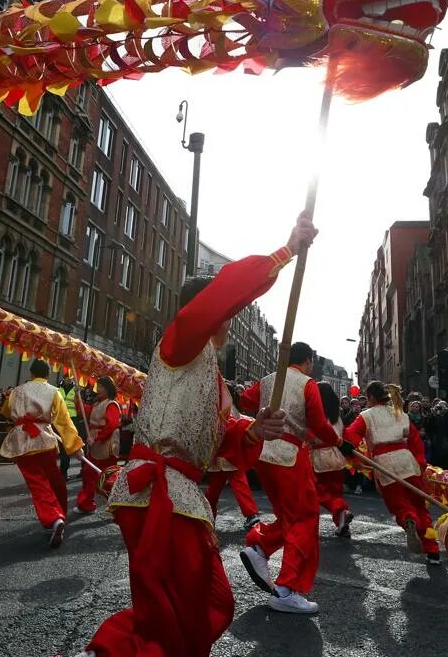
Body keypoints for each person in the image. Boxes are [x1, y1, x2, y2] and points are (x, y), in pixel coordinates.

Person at [75, 214, 310, 657]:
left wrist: (255, 428)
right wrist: (286, 251)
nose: (231, 319)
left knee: (201, 603)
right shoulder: (181, 342)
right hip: (156, 491)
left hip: (176, 494)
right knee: (183, 605)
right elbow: (221, 294)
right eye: (227, 311)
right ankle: (108, 652)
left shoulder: (212, 374)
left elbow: (226, 435)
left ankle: (106, 652)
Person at [237, 341, 343, 613]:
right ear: (307, 361)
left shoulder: (269, 379)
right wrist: (337, 440)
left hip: (264, 453)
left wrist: (269, 397)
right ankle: (286, 589)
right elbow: (319, 423)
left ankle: (260, 548)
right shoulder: (308, 384)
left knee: (289, 516)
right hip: (290, 456)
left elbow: (246, 399)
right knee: (305, 518)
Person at [341, 381, 440, 564]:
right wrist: (420, 463)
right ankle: (432, 549)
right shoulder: (400, 413)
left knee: (400, 504)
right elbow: (415, 440)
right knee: (420, 505)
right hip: (407, 460)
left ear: (370, 397)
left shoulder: (366, 416)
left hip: (385, 464)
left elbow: (351, 436)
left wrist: (347, 448)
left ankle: (408, 519)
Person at [0, 359, 83, 546]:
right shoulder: (54, 391)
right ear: (48, 375)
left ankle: (53, 518)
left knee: (37, 483)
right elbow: (64, 421)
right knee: (54, 478)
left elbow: (6, 410)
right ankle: (60, 513)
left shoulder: (17, 391)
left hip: (22, 442)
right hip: (45, 440)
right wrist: (75, 446)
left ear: (31, 374)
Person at [204, 389, 262, 532]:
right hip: (232, 458)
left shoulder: (219, 415)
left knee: (214, 489)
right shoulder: (231, 415)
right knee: (238, 486)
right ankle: (251, 514)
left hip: (221, 458)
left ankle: (208, 515)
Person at [309, 381, 352, 538]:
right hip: (337, 458)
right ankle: (342, 525)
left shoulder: (315, 414)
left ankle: (340, 509)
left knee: (319, 492)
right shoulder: (337, 415)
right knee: (336, 492)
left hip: (320, 457)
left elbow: (312, 437)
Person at [76, 376, 121, 515]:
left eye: (101, 387)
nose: (98, 389)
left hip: (105, 445)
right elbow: (85, 411)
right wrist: (78, 397)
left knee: (106, 477)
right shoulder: (98, 404)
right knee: (92, 474)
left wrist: (97, 438)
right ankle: (88, 503)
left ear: (108, 389)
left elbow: (112, 425)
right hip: (96, 443)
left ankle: (113, 505)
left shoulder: (111, 404)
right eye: (98, 387)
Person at [57, 379, 85, 477]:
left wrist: (78, 394)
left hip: (74, 420)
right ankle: (63, 473)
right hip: (61, 420)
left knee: (77, 444)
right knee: (63, 447)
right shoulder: (58, 389)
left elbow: (80, 404)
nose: (68, 380)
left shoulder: (76, 390)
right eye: (67, 378)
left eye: (70, 378)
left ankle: (83, 470)